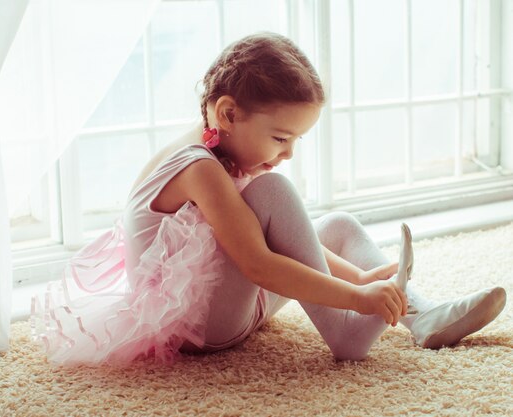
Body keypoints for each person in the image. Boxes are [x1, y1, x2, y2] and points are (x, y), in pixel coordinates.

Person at [31, 32, 507, 366]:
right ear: (228, 112)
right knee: (275, 192)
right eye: (281, 138)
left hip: (233, 303)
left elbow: (278, 244)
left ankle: (422, 315)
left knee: (338, 225)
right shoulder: (198, 166)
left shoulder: (221, 143)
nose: (288, 153)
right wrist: (356, 298)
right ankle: (347, 333)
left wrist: (360, 278)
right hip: (201, 326)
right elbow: (258, 263)